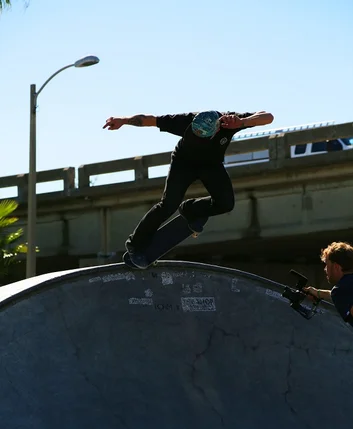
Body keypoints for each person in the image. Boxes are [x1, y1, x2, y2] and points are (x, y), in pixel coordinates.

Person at [103, 109, 274, 268]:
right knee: (168, 204)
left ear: (216, 130)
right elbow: (149, 120)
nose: (198, 138)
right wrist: (123, 121)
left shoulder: (229, 122)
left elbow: (268, 117)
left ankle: (190, 208)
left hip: (210, 165)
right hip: (183, 164)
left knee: (225, 204)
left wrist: (242, 122)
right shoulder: (184, 121)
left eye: (203, 137)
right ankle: (135, 244)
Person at [304, 241, 353, 327]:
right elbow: (342, 295)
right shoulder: (344, 288)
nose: (325, 269)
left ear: (336, 267)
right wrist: (317, 293)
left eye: (327, 265)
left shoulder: (340, 290)